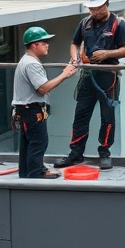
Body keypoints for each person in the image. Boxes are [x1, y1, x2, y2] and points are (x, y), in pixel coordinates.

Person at [54, 0, 125, 170]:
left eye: (97, 8)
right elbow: (74, 43)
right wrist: (75, 58)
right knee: (80, 115)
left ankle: (104, 153)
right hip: (88, 75)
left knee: (107, 116)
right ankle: (75, 154)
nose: (94, 11)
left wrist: (107, 53)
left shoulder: (118, 24)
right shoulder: (85, 24)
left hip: (108, 76)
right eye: (91, 8)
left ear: (106, 4)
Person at [13, 26, 77, 179]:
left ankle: (27, 172)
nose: (47, 44)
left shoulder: (27, 61)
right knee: (39, 142)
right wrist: (64, 74)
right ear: (34, 45)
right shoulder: (31, 64)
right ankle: (36, 173)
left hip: (25, 109)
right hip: (31, 110)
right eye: (44, 42)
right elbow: (43, 88)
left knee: (29, 143)